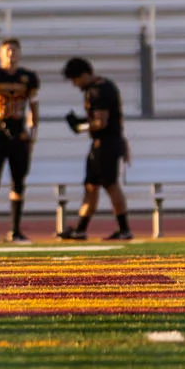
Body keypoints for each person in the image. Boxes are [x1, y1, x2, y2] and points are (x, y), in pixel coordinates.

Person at [60, 56, 133, 241]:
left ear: (84, 75)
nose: (75, 84)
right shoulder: (105, 85)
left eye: (75, 79)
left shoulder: (97, 90)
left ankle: (124, 229)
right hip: (105, 143)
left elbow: (101, 122)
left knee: (110, 185)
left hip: (105, 144)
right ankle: (81, 228)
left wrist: (80, 126)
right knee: (91, 186)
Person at [0, 37, 39, 243]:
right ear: (0, 54)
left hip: (19, 131)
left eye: (14, 50)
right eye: (7, 50)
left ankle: (15, 229)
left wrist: (33, 133)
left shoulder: (27, 77)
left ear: (20, 53)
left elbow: (34, 107)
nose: (11, 53)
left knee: (18, 182)